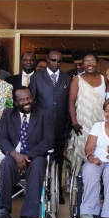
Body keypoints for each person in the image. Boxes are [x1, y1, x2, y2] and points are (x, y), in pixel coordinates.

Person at [0, 87, 55, 218]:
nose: (26, 102)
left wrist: (27, 155)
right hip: (14, 159)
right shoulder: (8, 114)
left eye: (28, 98)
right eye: (22, 100)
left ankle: (29, 216)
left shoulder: (44, 114)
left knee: (39, 162)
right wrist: (15, 155)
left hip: (34, 159)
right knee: (6, 162)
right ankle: (3, 213)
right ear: (15, 102)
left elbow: (48, 140)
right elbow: (1, 139)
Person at [29, 50, 71, 203]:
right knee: (42, 159)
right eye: (53, 60)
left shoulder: (67, 78)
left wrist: (68, 124)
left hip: (60, 126)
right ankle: (42, 191)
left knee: (59, 159)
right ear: (47, 60)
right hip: (41, 128)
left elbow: (69, 103)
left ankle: (57, 191)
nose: (56, 63)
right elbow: (31, 103)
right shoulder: (36, 77)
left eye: (59, 61)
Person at [68, 52, 107, 172]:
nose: (89, 64)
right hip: (82, 124)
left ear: (97, 63)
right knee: (82, 151)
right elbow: (71, 102)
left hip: (100, 122)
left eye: (92, 61)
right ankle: (79, 182)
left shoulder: (104, 79)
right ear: (82, 65)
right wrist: (74, 122)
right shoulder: (77, 80)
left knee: (99, 149)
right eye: (86, 62)